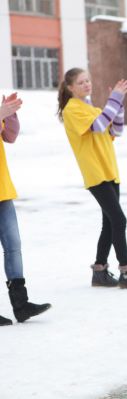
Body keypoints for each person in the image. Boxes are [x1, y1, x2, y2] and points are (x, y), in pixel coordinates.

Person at [57, 69, 127, 289]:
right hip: (95, 173)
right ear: (70, 87)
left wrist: (119, 105)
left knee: (109, 223)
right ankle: (126, 271)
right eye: (81, 82)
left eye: (88, 80)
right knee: (119, 220)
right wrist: (114, 100)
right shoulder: (72, 110)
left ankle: (99, 271)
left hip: (109, 171)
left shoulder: (93, 108)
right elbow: (99, 125)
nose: (87, 84)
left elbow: (115, 130)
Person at [0, 93, 51, 326]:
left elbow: (10, 136)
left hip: (3, 190)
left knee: (13, 247)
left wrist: (10, 114)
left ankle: (21, 305)